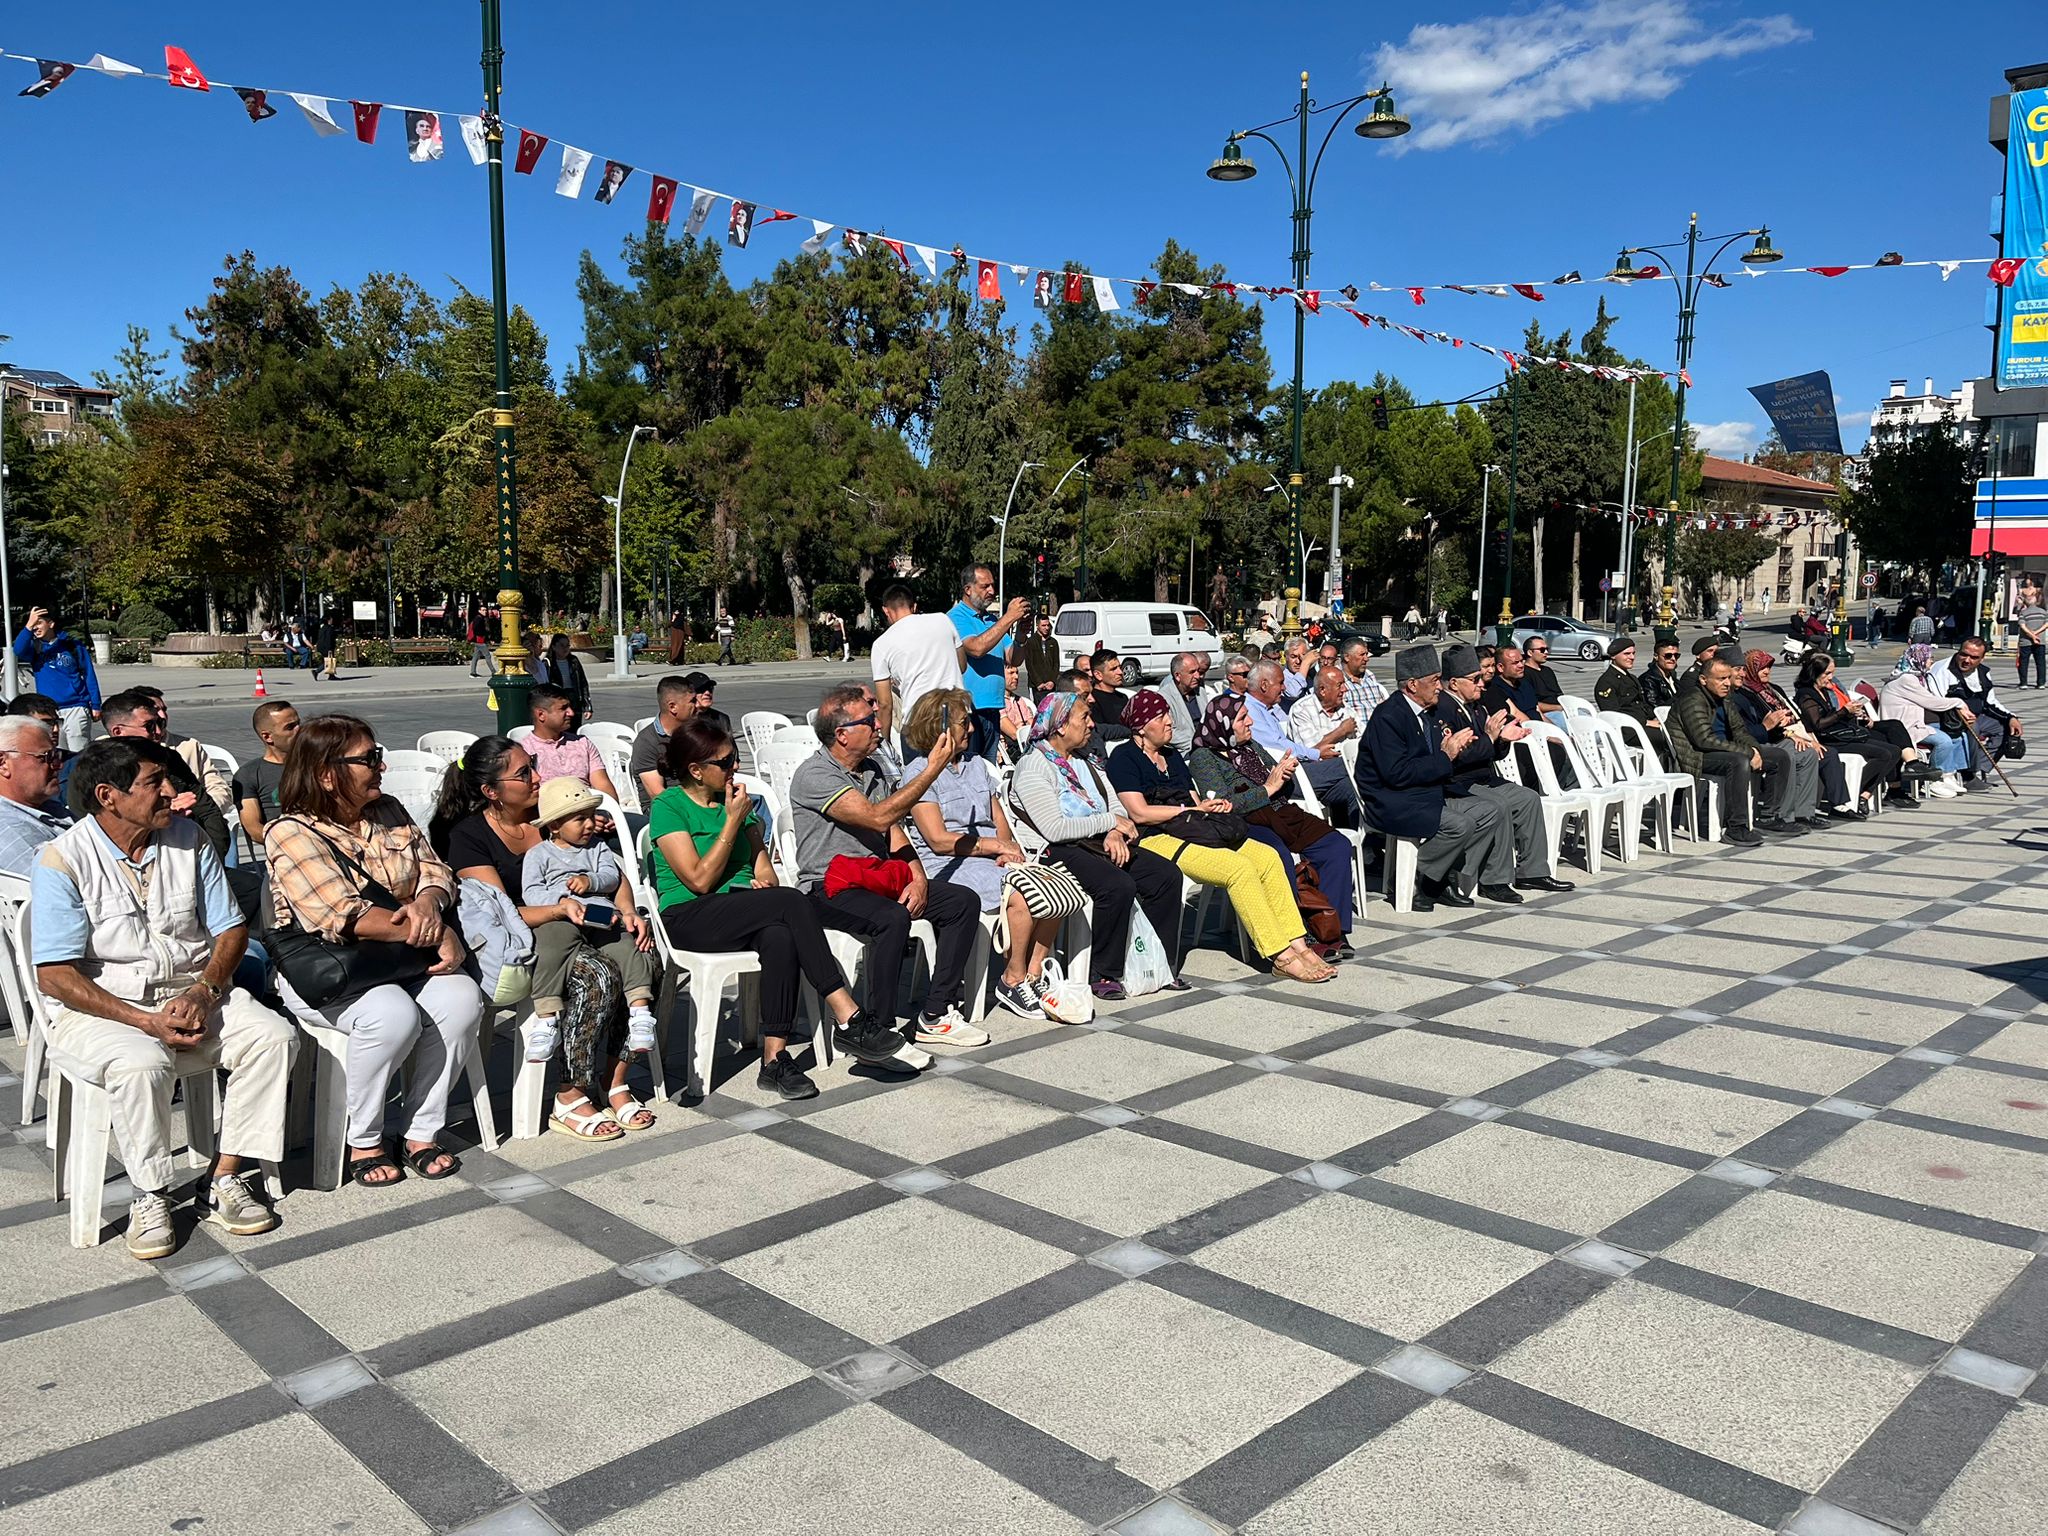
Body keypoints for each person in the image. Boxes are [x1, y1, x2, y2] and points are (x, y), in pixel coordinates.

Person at [36, 739, 296, 1257]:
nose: (172, 793)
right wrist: (143, 1020)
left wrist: (205, 991)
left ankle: (222, 1177)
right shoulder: (65, 859)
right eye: (154, 782)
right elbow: (56, 976)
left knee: (274, 1036)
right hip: (103, 1007)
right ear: (108, 796)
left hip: (193, 991)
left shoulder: (189, 838)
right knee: (141, 1062)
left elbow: (230, 930)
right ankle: (150, 1193)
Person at [264, 717, 483, 1178]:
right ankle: (363, 1139)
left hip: (403, 956)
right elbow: (343, 914)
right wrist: (436, 932)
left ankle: (421, 1130)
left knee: (461, 1000)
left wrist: (427, 902)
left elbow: (436, 870)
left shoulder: (389, 810)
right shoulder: (290, 831)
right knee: (390, 1014)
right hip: (337, 968)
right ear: (327, 773)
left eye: (377, 754)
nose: (380, 766)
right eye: (368, 759)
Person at [651, 718, 907, 1098]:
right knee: (791, 900)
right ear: (695, 770)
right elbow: (698, 881)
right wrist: (731, 824)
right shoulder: (668, 806)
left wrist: (761, 882)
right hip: (688, 915)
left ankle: (774, 1060)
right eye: (724, 763)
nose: (734, 767)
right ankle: (848, 1016)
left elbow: (765, 870)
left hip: (738, 907)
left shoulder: (737, 801)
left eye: (735, 758)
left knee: (780, 935)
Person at [431, 736, 655, 1136]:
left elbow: (610, 869)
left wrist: (626, 911)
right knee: (598, 976)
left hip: (592, 919)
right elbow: (496, 912)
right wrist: (558, 909)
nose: (537, 777)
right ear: (491, 792)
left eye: (532, 765)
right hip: (530, 936)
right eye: (523, 773)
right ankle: (570, 1092)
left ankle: (614, 1077)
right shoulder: (468, 838)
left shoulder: (557, 812)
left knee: (643, 953)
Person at [789, 684, 981, 1048]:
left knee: (962, 903)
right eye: (870, 720)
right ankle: (876, 1027)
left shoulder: (872, 768)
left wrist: (918, 877)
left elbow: (893, 832)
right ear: (842, 734)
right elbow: (878, 818)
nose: (880, 725)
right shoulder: (815, 775)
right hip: (828, 885)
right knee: (891, 918)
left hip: (877, 878)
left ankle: (935, 1014)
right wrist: (934, 768)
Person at [1108, 690, 1334, 983]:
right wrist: (1190, 808)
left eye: (1167, 713)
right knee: (1238, 869)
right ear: (1140, 726)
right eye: (1160, 716)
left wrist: (1211, 806)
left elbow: (1194, 799)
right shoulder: (1124, 758)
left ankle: (1299, 945)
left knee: (1267, 857)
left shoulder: (1172, 756)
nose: (1169, 721)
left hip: (1192, 825)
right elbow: (1138, 813)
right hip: (1156, 836)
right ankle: (1280, 954)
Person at [902, 689, 1064, 1021]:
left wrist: (1005, 851)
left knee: (1054, 886)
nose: (972, 729)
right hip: (948, 864)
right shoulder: (919, 774)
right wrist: (996, 848)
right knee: (1020, 894)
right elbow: (938, 840)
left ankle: (1032, 974)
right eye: (964, 723)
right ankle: (1011, 978)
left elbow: (997, 818)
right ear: (940, 727)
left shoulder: (976, 765)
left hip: (988, 857)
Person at [1010, 692, 1181, 1000]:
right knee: (1117, 885)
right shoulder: (1035, 766)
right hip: (1057, 848)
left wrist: (1113, 832)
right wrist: (1108, 824)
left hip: (1096, 842)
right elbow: (1054, 828)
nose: (1091, 724)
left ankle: (1158, 963)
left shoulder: (1084, 760)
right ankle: (1104, 972)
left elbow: (1112, 803)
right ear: (1061, 726)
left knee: (1165, 875)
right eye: (1084, 718)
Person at [1188, 692, 1356, 957]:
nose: (1250, 723)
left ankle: (1332, 930)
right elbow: (1223, 804)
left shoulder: (1250, 746)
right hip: (1245, 822)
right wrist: (1268, 788)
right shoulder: (1204, 757)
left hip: (1279, 812)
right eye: (1242, 718)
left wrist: (1284, 774)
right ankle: (1300, 933)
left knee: (1335, 845)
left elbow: (1280, 787)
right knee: (1277, 856)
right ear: (1224, 723)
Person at [1355, 646, 1518, 909]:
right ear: (1412, 685)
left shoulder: (1427, 711)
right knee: (1459, 824)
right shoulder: (1390, 716)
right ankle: (1420, 882)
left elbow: (1434, 760)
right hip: (1392, 799)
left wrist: (1458, 750)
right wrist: (1447, 755)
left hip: (1425, 790)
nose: (1439, 687)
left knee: (1491, 811)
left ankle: (1443, 877)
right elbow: (1396, 774)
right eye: (1433, 681)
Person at [520, 778, 660, 1065]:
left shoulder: (597, 848)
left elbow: (612, 877)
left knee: (626, 942)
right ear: (554, 825)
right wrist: (562, 898)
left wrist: (590, 880)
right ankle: (546, 1018)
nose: (589, 825)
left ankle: (640, 1011)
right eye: (579, 819)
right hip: (562, 914)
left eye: (590, 817)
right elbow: (531, 893)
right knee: (550, 946)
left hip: (598, 911)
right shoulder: (538, 855)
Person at [1436, 644, 1575, 897]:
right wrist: (1491, 739)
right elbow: (1458, 757)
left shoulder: (1475, 705)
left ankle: (1532, 872)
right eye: (1475, 678)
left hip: (1482, 776)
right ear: (1454, 683)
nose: (1481, 683)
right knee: (1498, 804)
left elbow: (1491, 750)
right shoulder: (1444, 709)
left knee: (1528, 798)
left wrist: (1502, 740)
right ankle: (1494, 880)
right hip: (1458, 782)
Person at [92, 690, 231, 862]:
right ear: (118, 731)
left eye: (160, 723)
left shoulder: (170, 758)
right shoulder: (95, 767)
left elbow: (209, 812)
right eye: (149, 726)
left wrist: (211, 860)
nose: (158, 732)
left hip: (190, 856)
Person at [1668, 650, 1780, 844]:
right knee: (1738, 762)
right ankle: (1736, 827)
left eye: (1728, 678)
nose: (1727, 683)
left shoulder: (1725, 698)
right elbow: (1704, 740)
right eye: (1721, 679)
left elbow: (1740, 731)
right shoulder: (1692, 700)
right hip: (1696, 756)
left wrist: (1755, 750)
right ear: (1704, 679)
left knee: (1779, 756)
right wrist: (1747, 753)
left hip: (1724, 749)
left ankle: (1772, 816)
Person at [1792, 651, 1919, 810]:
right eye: (1827, 673)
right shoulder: (1807, 695)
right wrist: (1844, 711)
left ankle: (1864, 795)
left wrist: (1852, 713)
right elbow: (1818, 725)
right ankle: (1855, 789)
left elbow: (1833, 716)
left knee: (1894, 750)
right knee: (1884, 754)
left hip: (1841, 733)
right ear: (1815, 673)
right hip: (1828, 739)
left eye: (1832, 673)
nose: (1831, 677)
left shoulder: (1824, 690)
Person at [1245, 661, 1360, 826]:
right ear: (1264, 685)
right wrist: (1317, 753)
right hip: (1282, 778)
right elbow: (1278, 749)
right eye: (1280, 683)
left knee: (1350, 787)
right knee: (1349, 764)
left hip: (1297, 770)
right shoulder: (1250, 711)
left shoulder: (1264, 709)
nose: (1284, 688)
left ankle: (1362, 843)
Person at [1728, 652, 1833, 823]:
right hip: (1758, 741)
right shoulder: (1743, 694)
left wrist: (1787, 732)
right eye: (1762, 667)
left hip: (1772, 736)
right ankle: (1783, 815)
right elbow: (1745, 730)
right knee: (1786, 755)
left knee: (1808, 754)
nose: (1767, 671)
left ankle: (1804, 812)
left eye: (1769, 667)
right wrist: (1775, 729)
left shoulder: (1770, 689)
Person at [948, 564, 1031, 760]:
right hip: (968, 710)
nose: (992, 591)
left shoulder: (992, 621)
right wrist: (1009, 617)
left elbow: (1013, 659)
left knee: (989, 769)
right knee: (969, 768)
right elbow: (976, 648)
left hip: (993, 708)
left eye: (993, 586)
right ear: (968, 589)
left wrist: (1020, 636)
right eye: (985, 586)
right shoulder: (955, 617)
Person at [869, 585, 962, 742]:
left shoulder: (881, 644)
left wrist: (884, 743)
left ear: (886, 610)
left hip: (918, 723)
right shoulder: (943, 619)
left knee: (922, 767)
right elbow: (962, 665)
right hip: (957, 717)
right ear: (914, 606)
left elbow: (885, 704)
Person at [1879, 645, 1973, 798]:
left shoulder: (1915, 677)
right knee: (1944, 741)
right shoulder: (1906, 680)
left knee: (1953, 733)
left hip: (1914, 722)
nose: (1932, 661)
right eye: (1929, 658)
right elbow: (1932, 702)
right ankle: (1934, 779)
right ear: (1918, 659)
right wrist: (1959, 702)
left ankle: (1948, 774)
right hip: (1905, 727)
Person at [135, 686, 234, 818]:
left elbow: (218, 787)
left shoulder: (189, 746)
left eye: (164, 709)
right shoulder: (111, 749)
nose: (163, 716)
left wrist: (198, 809)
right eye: (155, 710)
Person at [12, 605, 100, 751]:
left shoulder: (73, 646)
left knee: (79, 753)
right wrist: (28, 625)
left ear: (51, 623)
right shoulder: (34, 649)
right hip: (49, 710)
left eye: (39, 623)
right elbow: (18, 650)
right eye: (33, 624)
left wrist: (96, 704)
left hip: (76, 707)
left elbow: (89, 674)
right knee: (56, 752)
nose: (35, 627)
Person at [1932, 636, 2024, 767]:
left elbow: (1990, 702)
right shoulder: (1942, 670)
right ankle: (1969, 773)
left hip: (1977, 715)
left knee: (2005, 729)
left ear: (1982, 658)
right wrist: (1959, 711)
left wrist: (2011, 718)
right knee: (1972, 727)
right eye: (1963, 655)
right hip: (1950, 719)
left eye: (1973, 657)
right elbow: (1936, 701)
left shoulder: (1982, 672)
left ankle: (1977, 766)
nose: (1966, 660)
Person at [0, 714, 72, 875]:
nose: (58, 765)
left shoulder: (43, 806)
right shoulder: (13, 833)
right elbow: (59, 891)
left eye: (57, 756)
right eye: (47, 757)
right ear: (3, 763)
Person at [525, 683, 622, 797]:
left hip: (588, 808)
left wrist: (611, 812)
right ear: (541, 715)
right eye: (563, 708)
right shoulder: (524, 751)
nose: (571, 713)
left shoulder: (582, 743)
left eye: (570, 707)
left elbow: (603, 786)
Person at [1593, 637, 1673, 767]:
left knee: (1675, 731)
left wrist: (1657, 717)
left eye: (1633, 653)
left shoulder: (1631, 678)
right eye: (1626, 654)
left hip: (1641, 725)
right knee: (1668, 738)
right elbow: (1613, 714)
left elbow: (1642, 705)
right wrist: (1646, 722)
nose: (1631, 657)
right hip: (1628, 731)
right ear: (1613, 656)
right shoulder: (1606, 682)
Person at [234, 701, 300, 851]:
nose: (299, 730)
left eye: (298, 724)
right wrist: (293, 844)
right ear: (268, 736)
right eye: (290, 727)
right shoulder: (249, 774)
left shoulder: (315, 763)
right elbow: (254, 829)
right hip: (285, 850)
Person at [629, 675, 699, 804]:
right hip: (667, 810)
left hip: (702, 801)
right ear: (672, 707)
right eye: (693, 701)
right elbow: (658, 794)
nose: (697, 705)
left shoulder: (698, 732)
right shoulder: (646, 742)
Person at [1288, 664, 1363, 768]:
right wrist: (1341, 731)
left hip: (1350, 764)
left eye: (1344, 684)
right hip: (1317, 769)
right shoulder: (1301, 710)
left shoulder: (1346, 709)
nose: (1345, 689)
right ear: (1323, 690)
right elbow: (1311, 752)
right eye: (1339, 685)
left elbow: (1362, 741)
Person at [8, 692, 78, 801]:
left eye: (56, 722)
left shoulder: (77, 763)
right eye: (46, 724)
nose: (55, 729)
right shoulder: (9, 764)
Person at [535, 635, 592, 722]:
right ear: (553, 647)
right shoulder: (548, 663)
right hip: (558, 698)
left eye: (567, 646)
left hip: (574, 698)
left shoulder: (574, 661)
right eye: (562, 645)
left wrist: (587, 707)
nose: (565, 649)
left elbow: (583, 683)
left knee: (574, 726)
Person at [1161, 651, 1206, 755]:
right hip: (1185, 752)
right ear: (1178, 676)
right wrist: (1199, 743)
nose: (1198, 676)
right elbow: (1170, 732)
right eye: (1192, 672)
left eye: (1198, 671)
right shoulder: (1164, 697)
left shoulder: (1200, 691)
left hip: (1207, 747)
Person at [996, 655, 1037, 764]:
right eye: (1011, 673)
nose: (1016, 677)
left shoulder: (1020, 700)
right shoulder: (997, 703)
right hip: (1011, 752)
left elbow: (1034, 726)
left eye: (1017, 673)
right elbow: (1014, 734)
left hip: (1027, 746)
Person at [1338, 640, 1388, 724]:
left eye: (1366, 654)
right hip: (1357, 733)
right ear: (1347, 657)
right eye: (1361, 655)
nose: (1366, 659)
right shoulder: (1336, 679)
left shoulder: (1369, 676)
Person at [1519, 637, 1566, 720]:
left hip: (1563, 709)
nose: (1546, 652)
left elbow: (1559, 694)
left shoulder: (1548, 671)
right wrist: (1559, 708)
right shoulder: (1524, 674)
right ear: (1530, 652)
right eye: (1542, 650)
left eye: (1547, 649)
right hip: (1546, 714)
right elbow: (1532, 704)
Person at [1089, 650, 1132, 738]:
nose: (1120, 672)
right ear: (1098, 675)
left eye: (1119, 667)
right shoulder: (1092, 700)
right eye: (1113, 669)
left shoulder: (1123, 698)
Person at [1018, 613, 1062, 696]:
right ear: (1037, 625)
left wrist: (1052, 681)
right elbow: (1029, 664)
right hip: (1036, 686)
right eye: (1043, 625)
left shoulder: (1053, 642)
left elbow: (1056, 663)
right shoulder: (1031, 642)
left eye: (1048, 625)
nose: (1046, 628)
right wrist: (1038, 682)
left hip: (1051, 686)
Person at [1638, 636, 1685, 713]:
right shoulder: (1648, 680)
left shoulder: (1672, 678)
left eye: (1676, 656)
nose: (1673, 659)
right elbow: (1657, 709)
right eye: (1668, 656)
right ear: (1656, 656)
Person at [2015, 577, 2046, 690]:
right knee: (2040, 663)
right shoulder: (2043, 612)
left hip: (2025, 642)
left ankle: (2024, 683)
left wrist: (2031, 635)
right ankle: (2041, 683)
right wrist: (2036, 634)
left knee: (2024, 663)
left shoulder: (2023, 613)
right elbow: (2046, 624)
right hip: (2040, 640)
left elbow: (2022, 626)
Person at [467, 609, 498, 677]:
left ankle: (473, 673)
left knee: (475, 656)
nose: (485, 611)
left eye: (485, 610)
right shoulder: (479, 619)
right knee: (488, 656)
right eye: (483, 610)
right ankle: (493, 672)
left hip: (477, 641)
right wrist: (485, 637)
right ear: (479, 611)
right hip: (480, 641)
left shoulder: (478, 618)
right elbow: (478, 629)